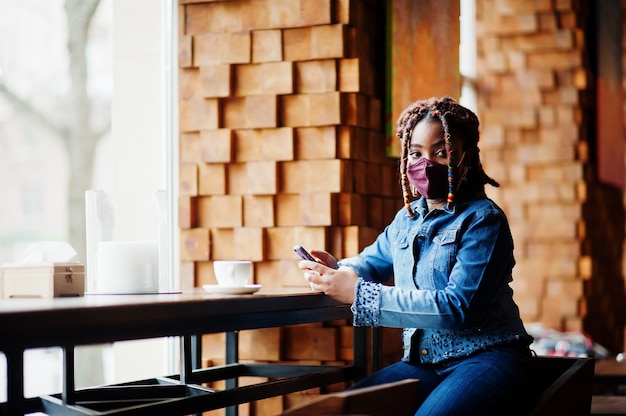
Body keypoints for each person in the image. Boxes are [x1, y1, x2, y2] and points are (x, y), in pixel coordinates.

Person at [298, 96, 533, 416]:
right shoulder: (406, 220)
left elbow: (456, 308)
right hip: (424, 362)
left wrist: (359, 293)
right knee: (343, 411)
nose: (427, 164)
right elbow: (371, 262)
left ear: (466, 157)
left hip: (488, 357)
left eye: (441, 152)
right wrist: (337, 269)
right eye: (416, 153)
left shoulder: (483, 220)